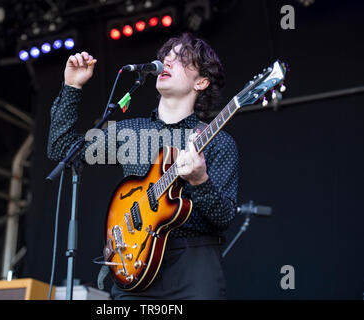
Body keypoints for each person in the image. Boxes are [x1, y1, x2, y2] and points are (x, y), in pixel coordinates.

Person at [47, 33, 239, 299]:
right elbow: (62, 149)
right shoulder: (131, 131)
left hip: (193, 270)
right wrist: (71, 87)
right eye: (166, 56)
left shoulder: (218, 141)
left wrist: (200, 180)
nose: (168, 61)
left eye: (182, 58)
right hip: (134, 267)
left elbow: (224, 218)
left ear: (202, 81)